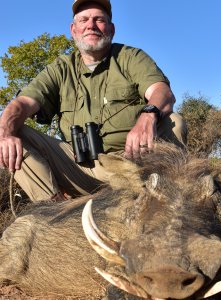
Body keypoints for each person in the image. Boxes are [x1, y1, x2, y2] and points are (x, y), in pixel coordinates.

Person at [0, 0, 187, 202]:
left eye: (99, 19)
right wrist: (5, 132)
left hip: (134, 164)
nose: (91, 25)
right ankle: (55, 212)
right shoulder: (61, 68)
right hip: (79, 168)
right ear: (73, 30)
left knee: (174, 121)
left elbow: (162, 91)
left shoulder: (130, 57)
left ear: (111, 29)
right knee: (10, 130)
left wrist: (148, 115)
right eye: (84, 20)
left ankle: (167, 202)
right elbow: (23, 104)